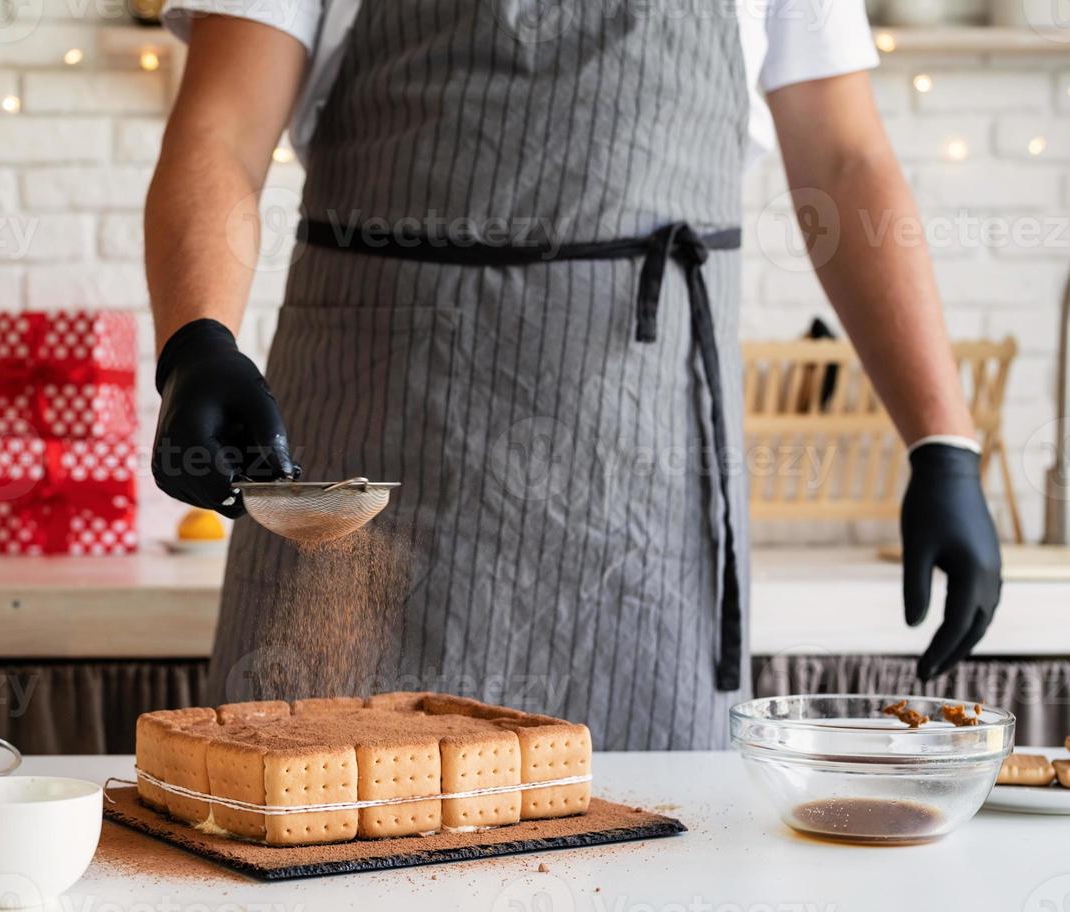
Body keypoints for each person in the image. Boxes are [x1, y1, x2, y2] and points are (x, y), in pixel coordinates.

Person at [145, 0, 1002, 749]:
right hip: (372, 455)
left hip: (639, 488)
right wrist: (196, 338)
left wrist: (939, 440)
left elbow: (843, 159)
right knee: (308, 837)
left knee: (657, 866)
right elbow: (221, 127)